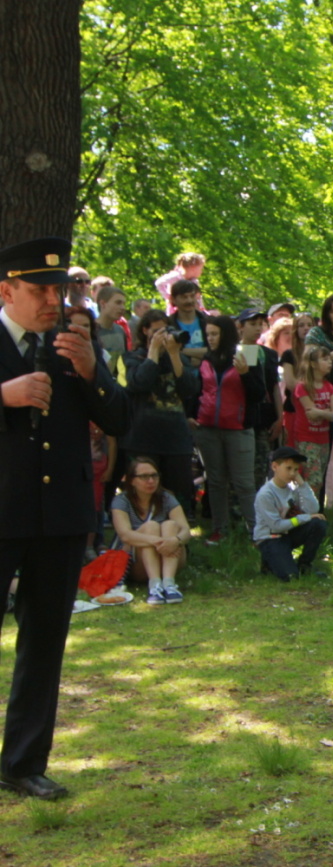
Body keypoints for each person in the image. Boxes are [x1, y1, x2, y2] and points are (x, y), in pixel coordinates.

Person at [0, 236, 131, 800]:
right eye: (39, 291)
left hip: (59, 516)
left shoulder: (74, 345)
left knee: (45, 641)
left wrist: (92, 372)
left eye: (57, 289)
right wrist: (3, 395)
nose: (53, 300)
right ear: (7, 291)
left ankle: (23, 762)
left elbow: (121, 419)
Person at [121, 310, 199, 516]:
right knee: (142, 496)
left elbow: (190, 389)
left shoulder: (178, 358)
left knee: (178, 496)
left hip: (176, 440)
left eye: (165, 330)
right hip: (143, 439)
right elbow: (138, 383)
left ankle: (177, 531)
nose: (162, 335)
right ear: (145, 331)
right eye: (156, 331)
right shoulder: (132, 357)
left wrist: (174, 354)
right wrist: (153, 351)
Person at [194, 315, 264, 545]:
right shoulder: (207, 358)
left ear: (225, 334)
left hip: (238, 428)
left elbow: (258, 394)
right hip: (208, 428)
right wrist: (193, 415)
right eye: (208, 334)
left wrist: (245, 374)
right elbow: (198, 389)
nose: (211, 338)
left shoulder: (246, 354)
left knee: (244, 483)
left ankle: (257, 532)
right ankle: (219, 530)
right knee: (215, 481)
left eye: (215, 334)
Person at [109, 456, 190, 603]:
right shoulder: (121, 501)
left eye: (154, 475)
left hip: (169, 558)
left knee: (170, 525)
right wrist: (158, 541)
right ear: (131, 480)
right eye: (144, 477)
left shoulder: (166, 497)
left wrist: (175, 540)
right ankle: (155, 586)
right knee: (151, 526)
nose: (151, 481)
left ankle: (169, 584)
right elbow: (125, 535)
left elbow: (185, 530)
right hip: (136, 563)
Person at [252, 446, 328, 582]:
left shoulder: (292, 487)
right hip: (270, 538)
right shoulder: (266, 494)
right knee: (291, 577)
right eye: (288, 468)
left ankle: (305, 565)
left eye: (296, 469)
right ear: (275, 467)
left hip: (287, 533)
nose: (292, 473)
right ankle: (269, 561)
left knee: (318, 523)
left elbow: (313, 509)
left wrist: (302, 484)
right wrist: (304, 518)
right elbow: (276, 526)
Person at [236, 309, 281, 491]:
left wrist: (280, 417)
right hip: (241, 417)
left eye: (260, 324)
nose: (257, 328)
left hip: (265, 417)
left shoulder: (269, 354)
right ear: (241, 326)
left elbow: (274, 387)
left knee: (261, 466)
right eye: (252, 324)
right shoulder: (236, 351)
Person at [291, 346, 333, 501]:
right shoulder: (302, 386)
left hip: (323, 440)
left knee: (318, 479)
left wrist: (322, 413)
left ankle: (310, 510)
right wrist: (326, 413)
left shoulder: (329, 386)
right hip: (306, 439)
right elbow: (311, 413)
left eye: (329, 359)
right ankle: (305, 510)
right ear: (312, 364)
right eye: (324, 359)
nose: (329, 362)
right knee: (313, 480)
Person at [167, 279, 211, 370]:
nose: (189, 300)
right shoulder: (168, 324)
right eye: (184, 297)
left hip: (207, 374)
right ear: (173, 299)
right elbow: (167, 353)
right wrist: (192, 358)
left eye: (192, 296)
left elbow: (215, 350)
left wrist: (181, 351)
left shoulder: (208, 321)